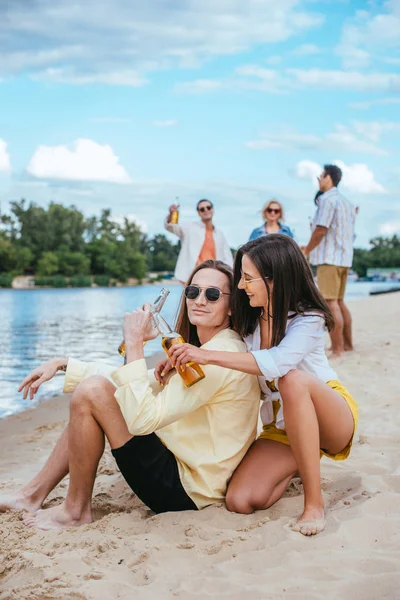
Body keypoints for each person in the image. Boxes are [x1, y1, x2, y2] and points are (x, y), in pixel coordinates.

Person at [0, 261, 260, 530]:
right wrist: (62, 363)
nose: (200, 300)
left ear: (231, 306)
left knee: (90, 393)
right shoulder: (206, 349)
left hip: (186, 489)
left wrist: (135, 343)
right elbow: (132, 383)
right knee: (94, 394)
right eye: (193, 292)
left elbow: (141, 420)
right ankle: (30, 496)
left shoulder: (216, 358)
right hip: (188, 473)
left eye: (213, 294)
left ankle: (75, 510)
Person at [166, 235, 358, 536]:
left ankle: (314, 504)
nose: (241, 286)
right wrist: (176, 357)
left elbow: (279, 362)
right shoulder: (249, 320)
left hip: (328, 417)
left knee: (291, 380)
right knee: (239, 500)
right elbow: (214, 334)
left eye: (247, 278)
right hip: (280, 426)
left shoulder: (309, 319)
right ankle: (298, 461)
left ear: (274, 281)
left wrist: (205, 356)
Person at [302, 165, 356, 357]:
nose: (318, 180)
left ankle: (337, 348)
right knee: (339, 301)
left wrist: (307, 250)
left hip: (329, 258)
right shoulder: (347, 203)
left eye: (320, 176)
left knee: (330, 302)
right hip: (344, 258)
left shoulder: (326, 200)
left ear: (328, 177)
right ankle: (347, 345)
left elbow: (321, 230)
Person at [165, 199, 233, 283]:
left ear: (212, 209)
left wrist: (229, 276)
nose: (206, 210)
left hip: (214, 277)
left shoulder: (219, 234)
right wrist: (171, 214)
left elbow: (228, 257)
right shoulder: (190, 227)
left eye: (208, 207)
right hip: (192, 276)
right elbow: (171, 227)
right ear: (198, 213)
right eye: (202, 209)